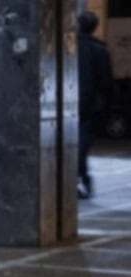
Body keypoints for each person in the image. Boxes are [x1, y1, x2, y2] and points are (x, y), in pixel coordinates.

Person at [77, 11, 114, 199]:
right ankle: (82, 178)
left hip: (68, 104)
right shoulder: (99, 50)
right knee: (81, 145)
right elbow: (106, 82)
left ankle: (80, 178)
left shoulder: (68, 48)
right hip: (89, 106)